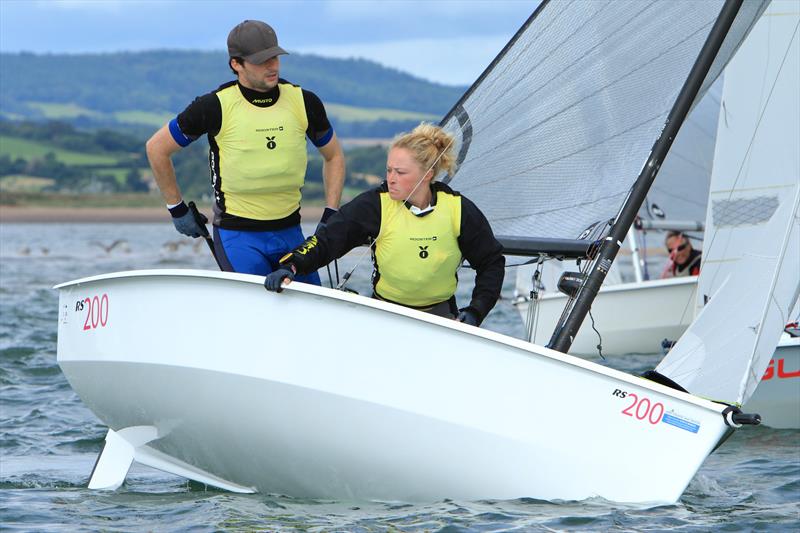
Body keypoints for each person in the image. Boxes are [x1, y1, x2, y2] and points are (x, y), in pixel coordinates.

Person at [145, 20, 345, 282]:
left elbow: (334, 156)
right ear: (236, 64)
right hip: (238, 236)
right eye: (262, 61)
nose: (272, 65)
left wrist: (331, 212)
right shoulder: (214, 106)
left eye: (274, 57)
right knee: (255, 315)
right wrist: (177, 209)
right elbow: (157, 148)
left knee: (311, 313)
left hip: (291, 232)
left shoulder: (304, 102)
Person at [264, 123, 505, 327]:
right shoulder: (375, 204)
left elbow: (491, 261)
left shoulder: (458, 209)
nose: (391, 178)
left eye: (400, 172)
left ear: (429, 173)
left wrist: (476, 311)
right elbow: (327, 240)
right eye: (389, 170)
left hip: (441, 318)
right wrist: (293, 265)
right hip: (385, 315)